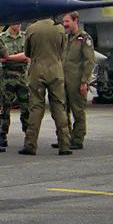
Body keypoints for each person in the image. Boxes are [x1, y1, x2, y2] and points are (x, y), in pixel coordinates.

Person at [21, 18, 72, 155]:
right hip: (56, 70)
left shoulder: (32, 28)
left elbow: (27, 52)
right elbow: (63, 50)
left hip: (37, 70)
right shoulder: (59, 29)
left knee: (36, 107)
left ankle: (30, 144)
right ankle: (65, 144)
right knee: (59, 106)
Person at [61, 11, 96, 150]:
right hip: (63, 80)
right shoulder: (65, 38)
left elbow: (90, 61)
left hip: (76, 81)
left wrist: (84, 82)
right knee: (62, 111)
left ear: (75, 21)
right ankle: (65, 138)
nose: (65, 24)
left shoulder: (84, 38)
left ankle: (78, 139)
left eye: (67, 21)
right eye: (64, 22)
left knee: (78, 111)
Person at [0, 22, 30, 148]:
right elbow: (0, 57)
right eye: (16, 22)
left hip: (22, 77)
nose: (19, 25)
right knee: (5, 108)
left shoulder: (25, 37)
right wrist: (17, 57)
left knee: (26, 108)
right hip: (7, 78)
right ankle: (2, 135)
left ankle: (28, 135)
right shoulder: (2, 38)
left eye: (20, 23)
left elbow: (26, 56)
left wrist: (9, 58)